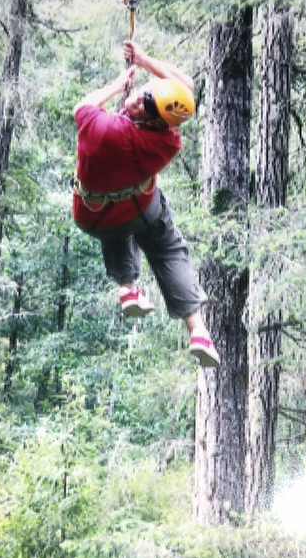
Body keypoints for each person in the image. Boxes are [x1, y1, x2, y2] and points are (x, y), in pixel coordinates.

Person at [72, 40, 220, 368]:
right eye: (144, 91)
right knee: (167, 247)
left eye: (144, 103)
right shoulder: (168, 140)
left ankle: (127, 287)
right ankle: (197, 330)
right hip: (140, 206)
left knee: (114, 228)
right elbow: (186, 88)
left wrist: (117, 87)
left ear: (153, 120)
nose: (136, 98)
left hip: (92, 214)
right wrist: (143, 60)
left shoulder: (104, 130)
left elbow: (82, 106)